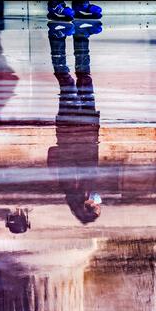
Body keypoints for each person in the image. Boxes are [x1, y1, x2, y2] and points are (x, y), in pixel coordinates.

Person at [46, 19, 103, 224]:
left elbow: (57, 157)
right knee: (84, 79)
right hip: (84, 128)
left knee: (69, 82)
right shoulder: (87, 186)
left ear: (86, 206)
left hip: (73, 129)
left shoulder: (72, 185)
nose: (98, 203)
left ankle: (59, 38)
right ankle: (81, 37)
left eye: (95, 207)